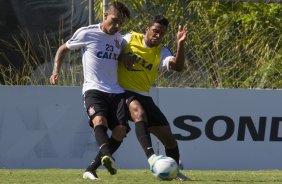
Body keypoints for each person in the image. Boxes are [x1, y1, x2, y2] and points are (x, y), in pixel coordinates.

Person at [87, 15, 189, 181]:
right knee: (138, 112)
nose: (157, 35)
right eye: (155, 31)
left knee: (169, 139)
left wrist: (180, 44)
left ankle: (174, 171)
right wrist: (124, 57)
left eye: (162, 33)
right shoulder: (129, 39)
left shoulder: (162, 51)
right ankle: (151, 158)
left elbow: (178, 67)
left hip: (143, 95)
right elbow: (112, 52)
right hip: (121, 92)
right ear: (146, 30)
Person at [49, 1, 131, 180]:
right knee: (99, 120)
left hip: (116, 91)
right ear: (105, 16)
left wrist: (128, 59)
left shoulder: (120, 39)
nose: (117, 26)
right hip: (93, 89)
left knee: (120, 131)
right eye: (114, 20)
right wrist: (56, 70)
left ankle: (92, 168)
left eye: (120, 23)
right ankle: (107, 155)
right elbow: (63, 49)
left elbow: (124, 56)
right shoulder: (87, 32)